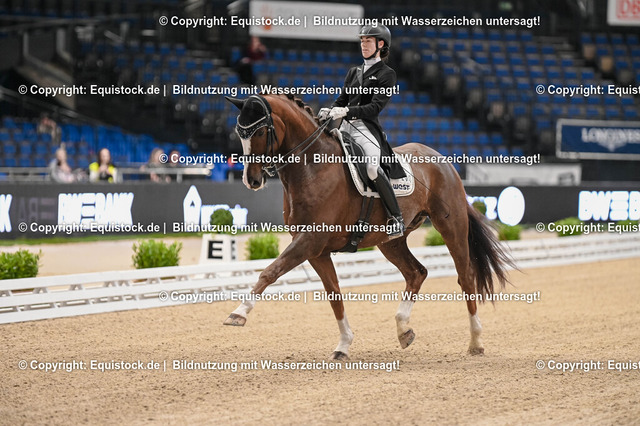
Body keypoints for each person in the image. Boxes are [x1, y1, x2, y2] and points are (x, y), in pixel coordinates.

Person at [319, 24, 406, 238]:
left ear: (380, 44)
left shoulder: (387, 74)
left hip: (365, 129)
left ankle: (396, 217)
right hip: (345, 128)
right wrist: (330, 110)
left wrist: (346, 111)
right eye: (362, 41)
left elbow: (375, 107)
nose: (363, 45)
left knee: (372, 169)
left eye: (368, 41)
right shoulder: (354, 72)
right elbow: (342, 99)